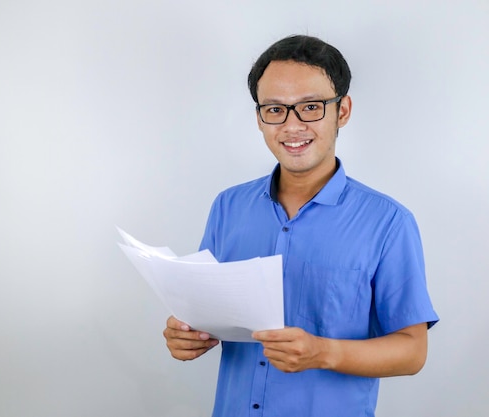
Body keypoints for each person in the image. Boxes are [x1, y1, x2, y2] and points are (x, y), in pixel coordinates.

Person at [163, 34, 439, 417]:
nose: (292, 126)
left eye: (310, 107)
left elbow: (413, 351)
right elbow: (205, 313)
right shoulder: (228, 206)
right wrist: (186, 335)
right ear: (259, 118)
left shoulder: (389, 222)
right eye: (275, 110)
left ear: (342, 111)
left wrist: (324, 352)